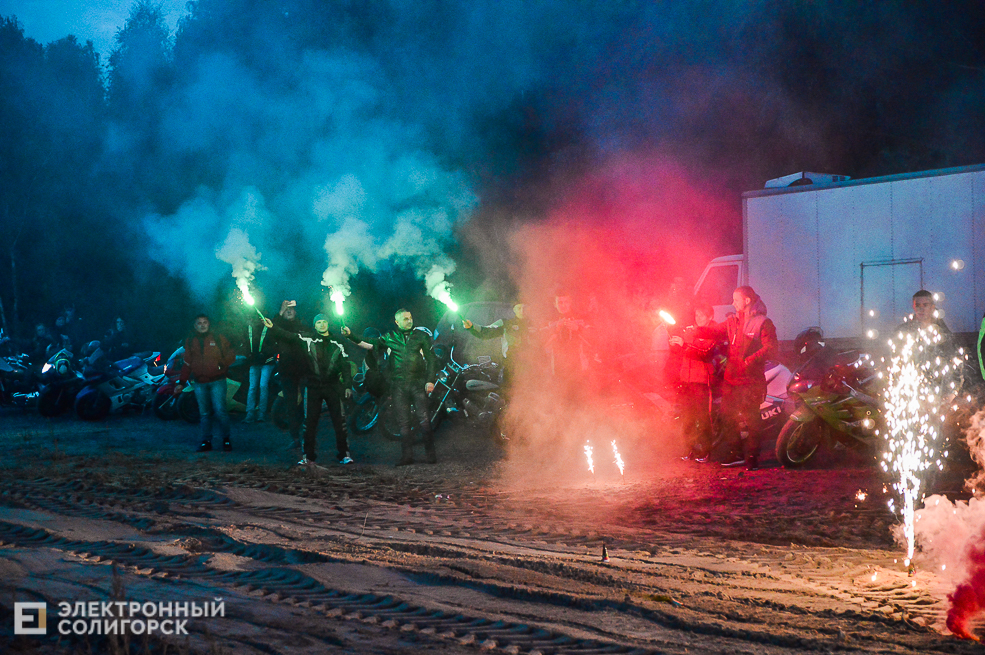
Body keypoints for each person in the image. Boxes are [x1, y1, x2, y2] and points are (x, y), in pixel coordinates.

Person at [695, 286, 777, 471]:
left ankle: (751, 457)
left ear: (747, 300)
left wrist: (749, 361)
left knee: (751, 419)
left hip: (750, 381)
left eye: (736, 299)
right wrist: (698, 331)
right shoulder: (733, 321)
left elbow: (771, 347)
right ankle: (736, 452)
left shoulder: (762, 322)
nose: (733, 303)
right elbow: (715, 332)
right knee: (725, 416)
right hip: (731, 380)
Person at [343, 308, 438, 466]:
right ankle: (407, 456)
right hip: (399, 385)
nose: (409, 321)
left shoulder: (421, 336)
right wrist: (350, 335)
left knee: (424, 419)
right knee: (403, 422)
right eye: (405, 319)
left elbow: (431, 359)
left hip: (417, 383)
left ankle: (431, 455)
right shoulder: (390, 337)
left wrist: (430, 380)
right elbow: (370, 344)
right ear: (397, 322)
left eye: (410, 317)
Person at [264, 314, 353, 465]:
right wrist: (273, 327)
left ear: (328, 324)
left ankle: (344, 454)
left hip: (333, 386)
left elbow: (345, 366)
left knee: (339, 422)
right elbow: (289, 336)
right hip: (313, 386)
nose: (322, 324)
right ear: (315, 325)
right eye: (318, 322)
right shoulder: (308, 339)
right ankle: (308, 456)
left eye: (324, 321)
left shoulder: (337, 341)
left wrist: (348, 386)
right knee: (310, 422)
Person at [175, 314, 236, 452]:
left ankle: (226, 439)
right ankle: (206, 441)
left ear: (209, 324)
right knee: (204, 413)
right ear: (195, 325)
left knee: (220, 411)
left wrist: (223, 364)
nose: (202, 325)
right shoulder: (191, 341)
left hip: (217, 381)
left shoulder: (218, 338)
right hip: (199, 382)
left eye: (205, 322)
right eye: (199, 323)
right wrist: (181, 382)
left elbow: (231, 353)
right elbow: (187, 363)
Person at [669, 303, 721, 461]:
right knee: (688, 417)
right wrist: (675, 345)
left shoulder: (713, 332)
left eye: (701, 316)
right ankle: (690, 449)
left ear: (710, 317)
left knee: (703, 417)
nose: (697, 319)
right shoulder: (692, 330)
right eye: (696, 315)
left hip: (702, 381)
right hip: (687, 379)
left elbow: (705, 352)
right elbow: (683, 353)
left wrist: (685, 343)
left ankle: (705, 451)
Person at [462, 302, 529, 386]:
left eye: (525, 308)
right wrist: (472, 326)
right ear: (514, 309)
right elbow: (486, 332)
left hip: (532, 368)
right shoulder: (506, 324)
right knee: (509, 395)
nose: (522, 311)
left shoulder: (536, 325)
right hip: (511, 368)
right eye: (519, 308)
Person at [272, 300, 307, 448]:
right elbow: (270, 331)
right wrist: (280, 312)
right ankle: (295, 438)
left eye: (291, 309)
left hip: (305, 371)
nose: (289, 311)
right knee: (291, 405)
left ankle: (307, 438)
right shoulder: (277, 328)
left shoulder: (303, 326)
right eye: (286, 310)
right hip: (287, 372)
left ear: (296, 312)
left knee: (306, 406)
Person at [242, 310, 277, 423]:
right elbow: (245, 343)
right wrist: (249, 355)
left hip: (267, 362)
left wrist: (265, 355)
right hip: (254, 362)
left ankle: (261, 413)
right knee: (252, 387)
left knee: (262, 386)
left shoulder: (268, 328)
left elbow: (273, 344)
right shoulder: (249, 328)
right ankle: (250, 413)